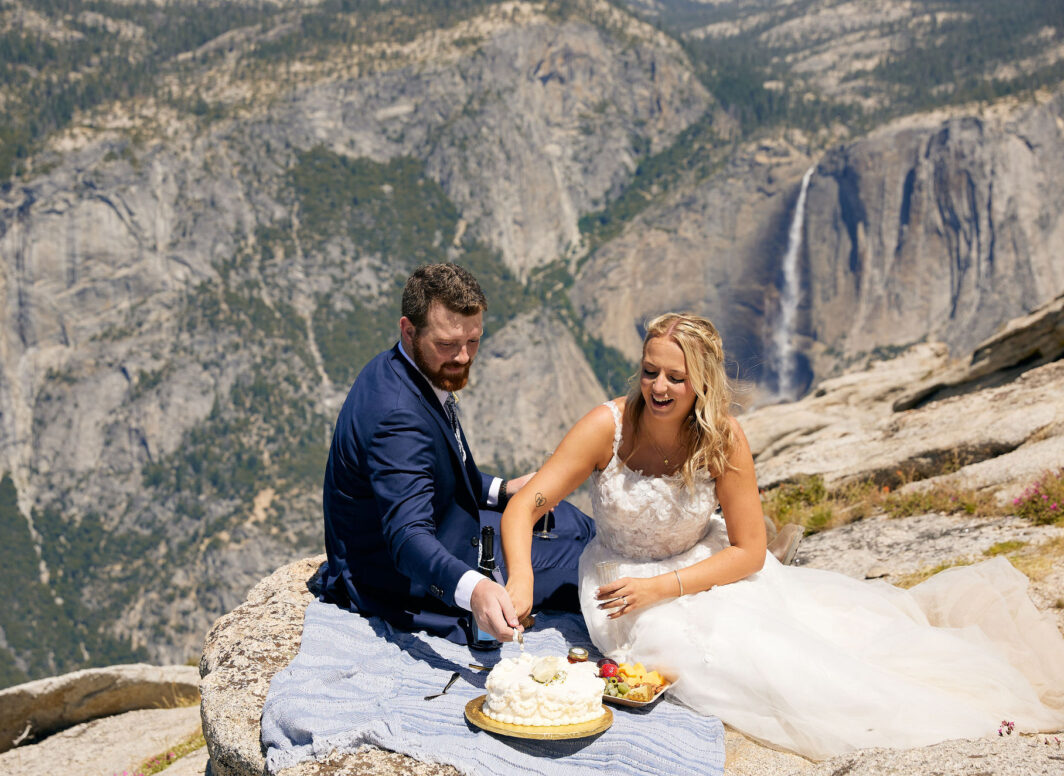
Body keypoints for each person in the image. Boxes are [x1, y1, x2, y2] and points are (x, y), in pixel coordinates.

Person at [501, 312, 1064, 759]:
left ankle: (940, 720)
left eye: (677, 376)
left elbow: (748, 552)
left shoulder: (723, 437)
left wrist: (668, 586)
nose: (659, 387)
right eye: (650, 371)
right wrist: (520, 581)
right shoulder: (609, 427)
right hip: (620, 583)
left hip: (706, 568)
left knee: (790, 648)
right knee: (702, 657)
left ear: (703, 381)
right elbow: (525, 505)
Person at [321, 263, 595, 645]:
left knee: (571, 520)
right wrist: (476, 590)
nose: (464, 357)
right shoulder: (398, 415)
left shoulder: (406, 368)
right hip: (411, 578)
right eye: (448, 344)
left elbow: (438, 471)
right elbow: (408, 538)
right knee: (589, 568)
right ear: (408, 330)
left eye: (474, 341)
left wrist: (502, 490)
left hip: (452, 524)